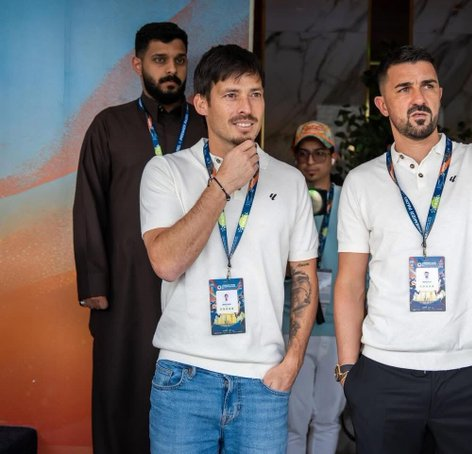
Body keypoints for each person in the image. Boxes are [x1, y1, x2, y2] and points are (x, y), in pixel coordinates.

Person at [334, 45, 472, 454]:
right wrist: (349, 371)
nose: (418, 97)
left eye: (428, 86)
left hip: (471, 373)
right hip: (386, 373)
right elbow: (350, 284)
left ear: (440, 94)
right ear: (382, 105)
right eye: (404, 89)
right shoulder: (362, 182)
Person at [139, 44, 319, 453]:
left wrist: (291, 362)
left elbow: (303, 275)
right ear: (201, 103)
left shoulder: (290, 181)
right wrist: (222, 184)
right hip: (184, 377)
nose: (246, 108)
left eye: (255, 94)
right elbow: (166, 263)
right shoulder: (165, 172)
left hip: (262, 382)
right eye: (232, 94)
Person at [72, 22, 206, 454]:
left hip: (194, 280)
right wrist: (94, 283)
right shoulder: (109, 126)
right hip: (125, 287)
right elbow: (89, 202)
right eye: (159, 60)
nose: (171, 70)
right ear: (137, 64)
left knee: (190, 392)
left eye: (179, 60)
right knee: (121, 391)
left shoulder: (206, 127)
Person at [282, 121, 346, 453]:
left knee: (328, 416)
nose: (310, 162)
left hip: (338, 327)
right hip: (292, 323)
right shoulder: (285, 201)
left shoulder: (349, 201)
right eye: (303, 154)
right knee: (294, 419)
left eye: (319, 153)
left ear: (333, 156)